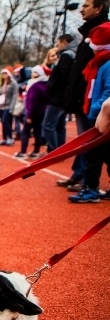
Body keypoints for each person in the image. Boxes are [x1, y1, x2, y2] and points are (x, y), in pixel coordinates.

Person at [62, 0, 110, 192]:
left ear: (98, 8)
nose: (82, 9)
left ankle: (87, 182)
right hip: (85, 99)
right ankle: (80, 175)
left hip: (93, 101)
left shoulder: (101, 33)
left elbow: (95, 74)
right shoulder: (88, 34)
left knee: (93, 144)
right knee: (88, 143)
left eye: (86, 5)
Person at [69, 21, 110, 203]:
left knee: (93, 155)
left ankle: (91, 188)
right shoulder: (99, 64)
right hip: (96, 114)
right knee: (102, 155)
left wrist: (94, 110)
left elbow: (108, 92)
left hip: (100, 118)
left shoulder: (106, 65)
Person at [42, 34, 77, 155]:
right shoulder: (73, 55)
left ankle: (53, 150)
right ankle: (61, 150)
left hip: (57, 97)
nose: (57, 46)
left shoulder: (66, 55)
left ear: (64, 42)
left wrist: (51, 86)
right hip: (63, 97)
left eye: (58, 42)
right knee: (60, 125)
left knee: (48, 124)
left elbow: (62, 76)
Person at [17, 65, 49, 158]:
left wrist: (29, 115)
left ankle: (23, 152)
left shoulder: (34, 86)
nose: (32, 74)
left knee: (25, 132)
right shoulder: (45, 84)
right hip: (42, 112)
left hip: (33, 113)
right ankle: (36, 151)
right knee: (37, 131)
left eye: (35, 72)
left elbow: (31, 101)